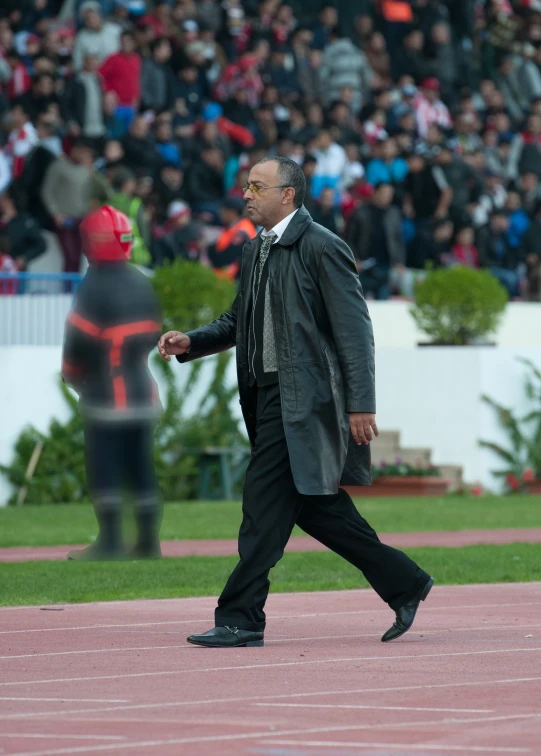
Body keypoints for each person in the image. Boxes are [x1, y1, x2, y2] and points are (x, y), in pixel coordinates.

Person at [158, 156, 434, 648]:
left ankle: (241, 617)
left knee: (262, 505)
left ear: (287, 194)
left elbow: (355, 333)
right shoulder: (255, 250)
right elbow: (238, 320)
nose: (246, 193)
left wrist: (361, 404)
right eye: (246, 185)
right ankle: (405, 582)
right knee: (316, 507)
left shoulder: (323, 247)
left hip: (303, 399)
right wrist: (193, 342)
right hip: (269, 396)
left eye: (257, 186)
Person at [62, 205, 163, 561]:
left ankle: (109, 542)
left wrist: (74, 378)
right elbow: (153, 334)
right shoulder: (141, 281)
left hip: (105, 396)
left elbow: (78, 344)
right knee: (141, 469)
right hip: (143, 392)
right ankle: (149, 543)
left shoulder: (92, 286)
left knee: (103, 468)